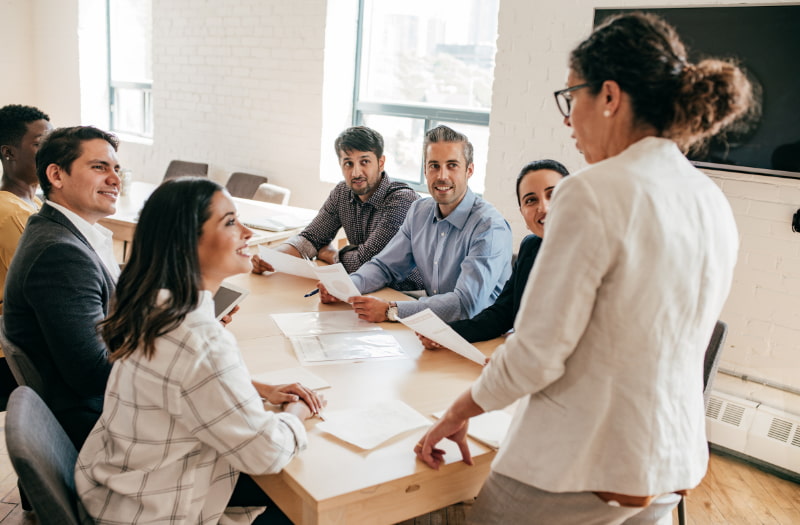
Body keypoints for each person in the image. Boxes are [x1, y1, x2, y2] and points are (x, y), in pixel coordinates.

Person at [415, 12, 753, 524]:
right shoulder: (710, 199)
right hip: (668, 466)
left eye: (572, 98)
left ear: (610, 96)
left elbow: (537, 352)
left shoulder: (591, 192)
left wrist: (460, 410)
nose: (567, 119)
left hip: (576, 465)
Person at [75, 178, 323, 524]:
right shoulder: (198, 338)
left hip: (118, 496)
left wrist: (256, 389)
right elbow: (266, 453)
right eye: (231, 222)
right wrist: (297, 411)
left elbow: (181, 381)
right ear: (185, 244)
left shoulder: (155, 305)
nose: (248, 232)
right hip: (155, 513)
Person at [319, 125, 512, 324]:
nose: (442, 176)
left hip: (484, 337)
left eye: (452, 165)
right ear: (425, 170)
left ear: (469, 170)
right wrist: (345, 287)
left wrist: (391, 311)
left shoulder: (489, 227)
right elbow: (385, 266)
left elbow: (466, 304)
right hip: (435, 330)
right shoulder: (419, 211)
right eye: (434, 166)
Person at [3, 126, 122, 448]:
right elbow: (91, 374)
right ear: (56, 175)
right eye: (100, 167)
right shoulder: (61, 254)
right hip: (102, 430)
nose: (115, 179)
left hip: (108, 412)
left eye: (116, 168)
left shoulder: (63, 232)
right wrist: (175, 355)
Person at [252, 126, 423, 290]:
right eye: (348, 163)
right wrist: (271, 257)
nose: (356, 172)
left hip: (408, 293)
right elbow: (311, 238)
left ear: (381, 162)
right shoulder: (342, 192)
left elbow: (367, 263)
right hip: (364, 287)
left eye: (364, 162)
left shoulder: (401, 200)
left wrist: (331, 255)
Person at [421, 159, 569, 347]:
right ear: (522, 212)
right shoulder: (531, 247)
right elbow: (501, 314)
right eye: (531, 200)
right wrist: (447, 334)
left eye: (553, 194)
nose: (544, 208)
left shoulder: (598, 253)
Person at [0, 104, 53, 400]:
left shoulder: (31, 205)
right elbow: (46, 292)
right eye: (40, 144)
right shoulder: (10, 214)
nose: (53, 151)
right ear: (9, 153)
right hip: (14, 358)